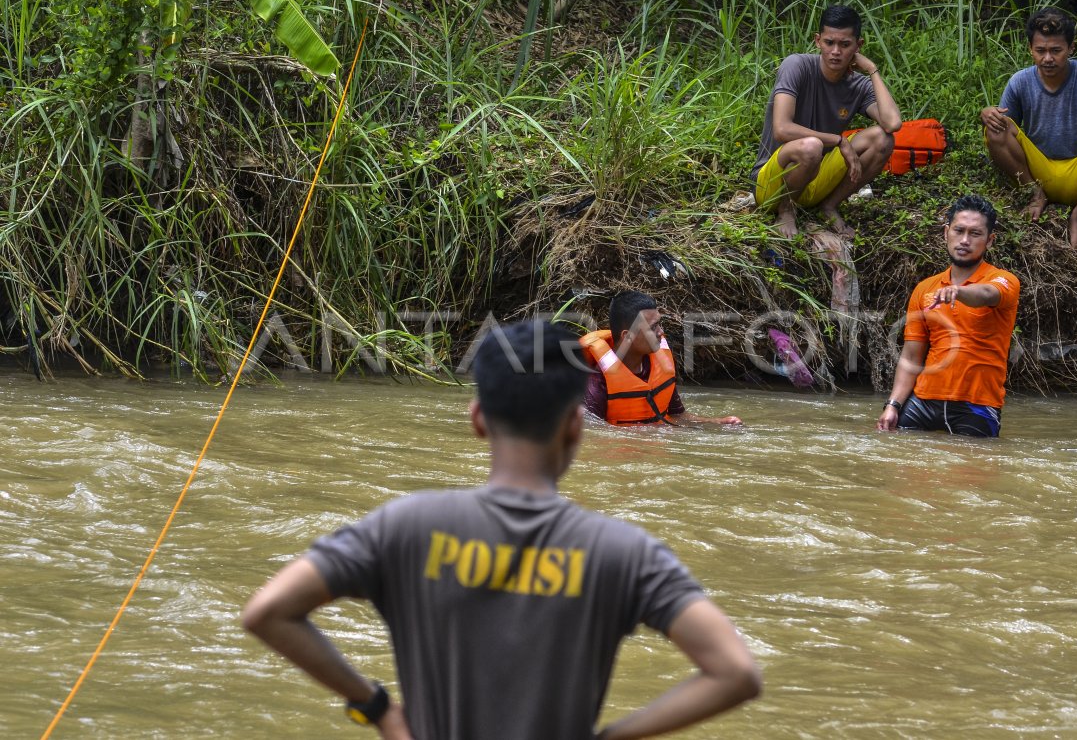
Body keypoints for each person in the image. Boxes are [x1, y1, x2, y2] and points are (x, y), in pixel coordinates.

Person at [242, 320, 761, 739]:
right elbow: (736, 672)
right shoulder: (624, 552)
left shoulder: (404, 525)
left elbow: (268, 612)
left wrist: (378, 708)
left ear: (477, 419)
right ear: (577, 425)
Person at [981, 7, 1077, 254]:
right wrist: (986, 112)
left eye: (1056, 50)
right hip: (1037, 170)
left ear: (1071, 48)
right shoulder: (1020, 81)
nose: (1047, 58)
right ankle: (1036, 195)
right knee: (996, 128)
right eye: (1040, 51)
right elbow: (1003, 124)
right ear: (1030, 49)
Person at [751, 4, 902, 240]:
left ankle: (829, 206)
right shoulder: (797, 65)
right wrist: (838, 140)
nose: (836, 51)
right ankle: (786, 210)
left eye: (845, 45)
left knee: (883, 138)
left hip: (815, 180)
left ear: (858, 46)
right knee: (811, 145)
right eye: (829, 42)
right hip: (772, 184)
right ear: (817, 41)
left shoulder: (858, 85)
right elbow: (782, 129)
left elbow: (892, 123)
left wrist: (872, 69)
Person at [877, 195, 1020, 437]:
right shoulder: (925, 289)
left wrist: (959, 292)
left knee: (969, 471)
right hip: (923, 401)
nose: (965, 240)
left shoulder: (1003, 280)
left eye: (975, 234)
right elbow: (911, 355)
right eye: (959, 230)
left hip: (977, 404)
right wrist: (892, 405)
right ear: (946, 233)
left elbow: (987, 294)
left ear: (990, 240)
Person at [580, 291, 742, 427]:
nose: (661, 332)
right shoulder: (596, 381)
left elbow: (678, 415)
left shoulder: (661, 367)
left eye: (659, 324)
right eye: (652, 327)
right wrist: (653, 433)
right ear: (627, 337)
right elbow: (593, 434)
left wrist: (717, 422)